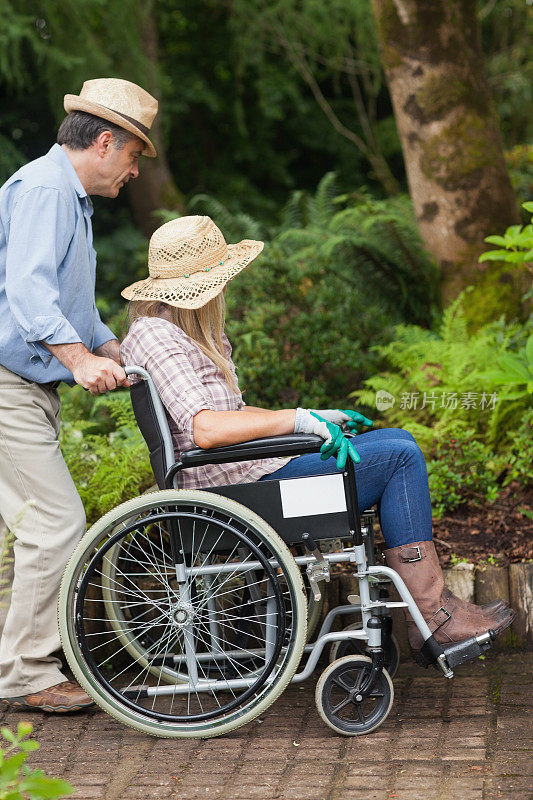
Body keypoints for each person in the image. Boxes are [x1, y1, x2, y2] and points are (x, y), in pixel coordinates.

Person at [120, 215, 514, 655]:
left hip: (252, 478)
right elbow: (206, 428)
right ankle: (432, 616)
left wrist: (318, 417)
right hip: (238, 499)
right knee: (401, 458)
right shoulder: (157, 334)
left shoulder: (181, 331)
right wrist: (299, 420)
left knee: (399, 438)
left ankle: (431, 612)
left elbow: (230, 414)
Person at [0, 78, 158, 713]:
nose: (135, 170)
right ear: (102, 142)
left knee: (35, 526)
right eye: (134, 155)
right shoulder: (44, 191)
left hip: (25, 384)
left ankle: (24, 661)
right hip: (8, 384)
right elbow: (28, 295)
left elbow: (72, 306)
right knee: (56, 522)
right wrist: (77, 360)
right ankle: (27, 675)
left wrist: (113, 349)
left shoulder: (71, 200)